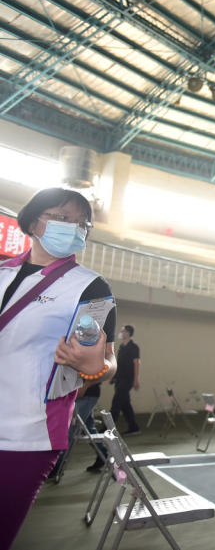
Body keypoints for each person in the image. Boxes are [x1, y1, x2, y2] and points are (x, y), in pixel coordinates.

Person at [0, 188, 117, 550]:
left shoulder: (90, 288)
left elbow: (105, 362)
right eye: (63, 217)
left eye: (82, 223)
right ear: (34, 222)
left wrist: (93, 367)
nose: (74, 228)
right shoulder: (2, 273)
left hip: (26, 434)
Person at [111, 324, 140, 435]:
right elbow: (120, 364)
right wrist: (114, 377)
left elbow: (136, 363)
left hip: (127, 379)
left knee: (116, 403)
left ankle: (108, 429)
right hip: (119, 379)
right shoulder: (122, 347)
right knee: (125, 404)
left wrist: (136, 379)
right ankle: (134, 427)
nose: (120, 332)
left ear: (127, 333)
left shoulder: (134, 347)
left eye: (122, 331)